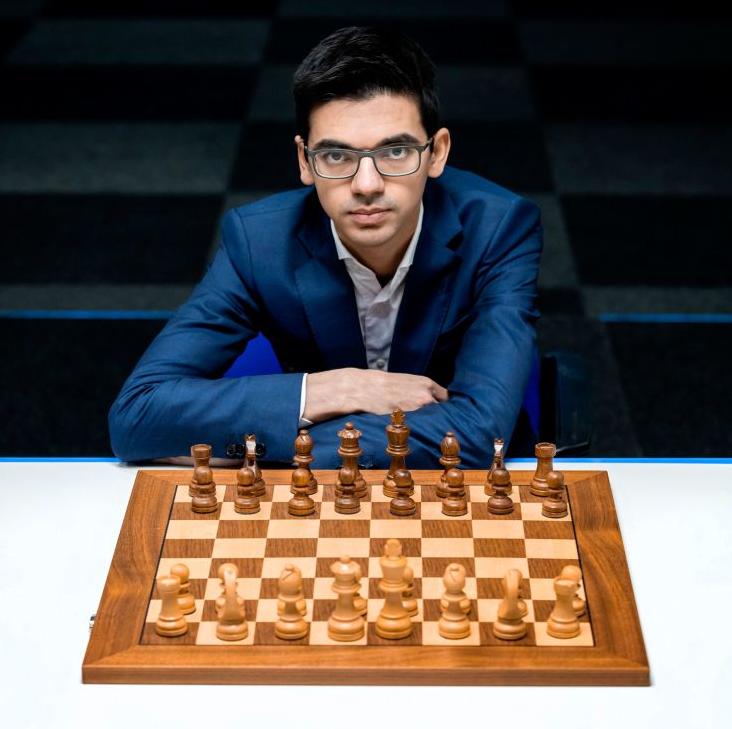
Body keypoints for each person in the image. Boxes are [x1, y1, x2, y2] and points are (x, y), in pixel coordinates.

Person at [109, 26, 541, 469]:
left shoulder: (499, 228)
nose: (367, 185)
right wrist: (338, 389)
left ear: (437, 153)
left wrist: (290, 444)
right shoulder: (260, 241)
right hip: (325, 494)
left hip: (465, 484)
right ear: (305, 161)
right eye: (337, 157)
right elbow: (136, 416)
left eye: (395, 152)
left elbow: (479, 432)